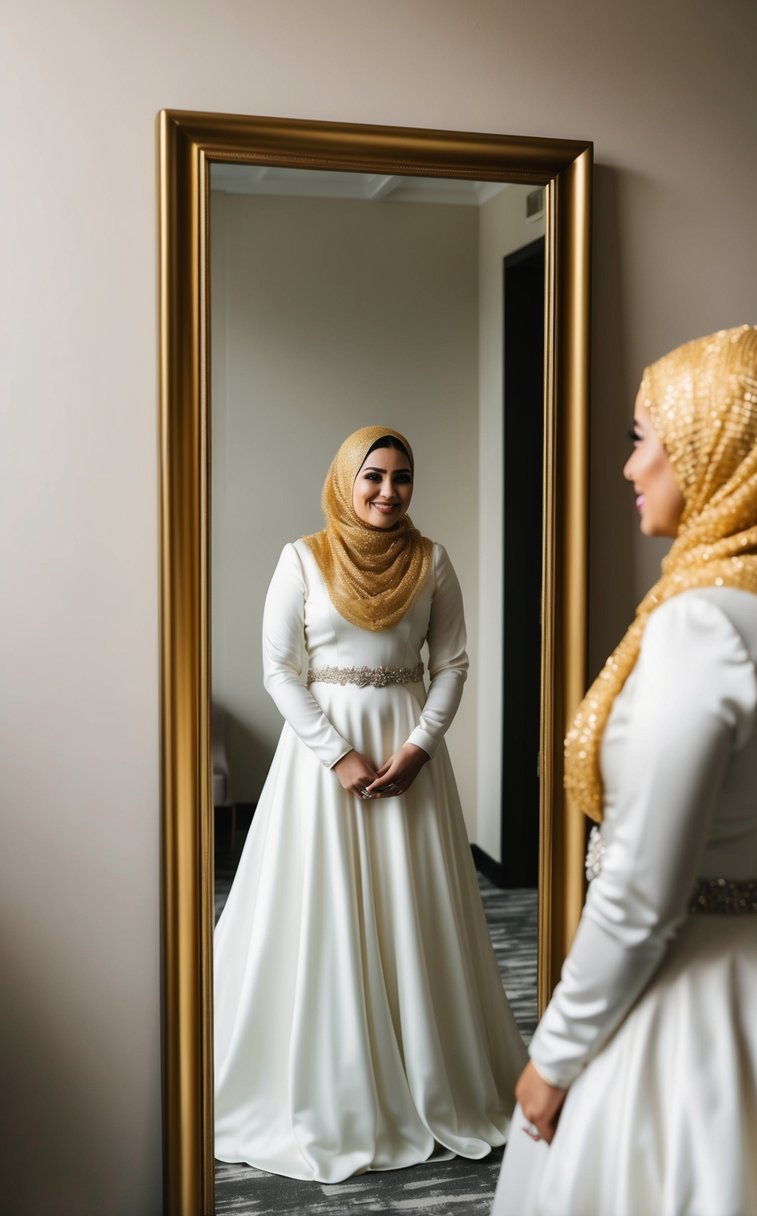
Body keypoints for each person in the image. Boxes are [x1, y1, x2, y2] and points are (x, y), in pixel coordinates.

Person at [493, 325, 757, 1215]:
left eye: (644, 439)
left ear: (716, 442)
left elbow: (643, 890)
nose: (629, 468)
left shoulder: (707, 625)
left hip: (684, 1003)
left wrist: (552, 1057)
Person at [214, 424, 526, 1182]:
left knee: (411, 907)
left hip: (409, 753)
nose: (389, 491)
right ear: (346, 481)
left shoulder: (432, 561)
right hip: (322, 758)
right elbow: (280, 669)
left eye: (403, 477)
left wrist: (417, 747)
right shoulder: (303, 559)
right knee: (320, 907)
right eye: (374, 477)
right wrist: (339, 756)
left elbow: (450, 663)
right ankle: (332, 1084)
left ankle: (423, 1076)